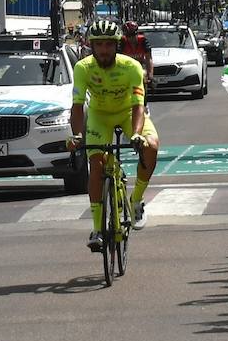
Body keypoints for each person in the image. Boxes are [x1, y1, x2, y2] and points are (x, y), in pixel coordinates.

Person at [68, 20, 160, 250]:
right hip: (100, 116)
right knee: (96, 164)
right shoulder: (83, 68)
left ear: (117, 44)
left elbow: (139, 104)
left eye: (109, 44)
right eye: (99, 45)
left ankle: (136, 200)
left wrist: (137, 135)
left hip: (128, 113)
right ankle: (98, 228)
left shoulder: (131, 67)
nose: (104, 50)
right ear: (92, 45)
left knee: (152, 146)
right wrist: (77, 135)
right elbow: (78, 106)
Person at [120, 20, 153, 87]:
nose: (131, 38)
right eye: (128, 36)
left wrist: (150, 75)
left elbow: (148, 59)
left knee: (144, 76)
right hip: (126, 69)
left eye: (133, 35)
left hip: (140, 67)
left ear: (137, 34)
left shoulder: (143, 41)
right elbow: (117, 59)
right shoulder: (122, 42)